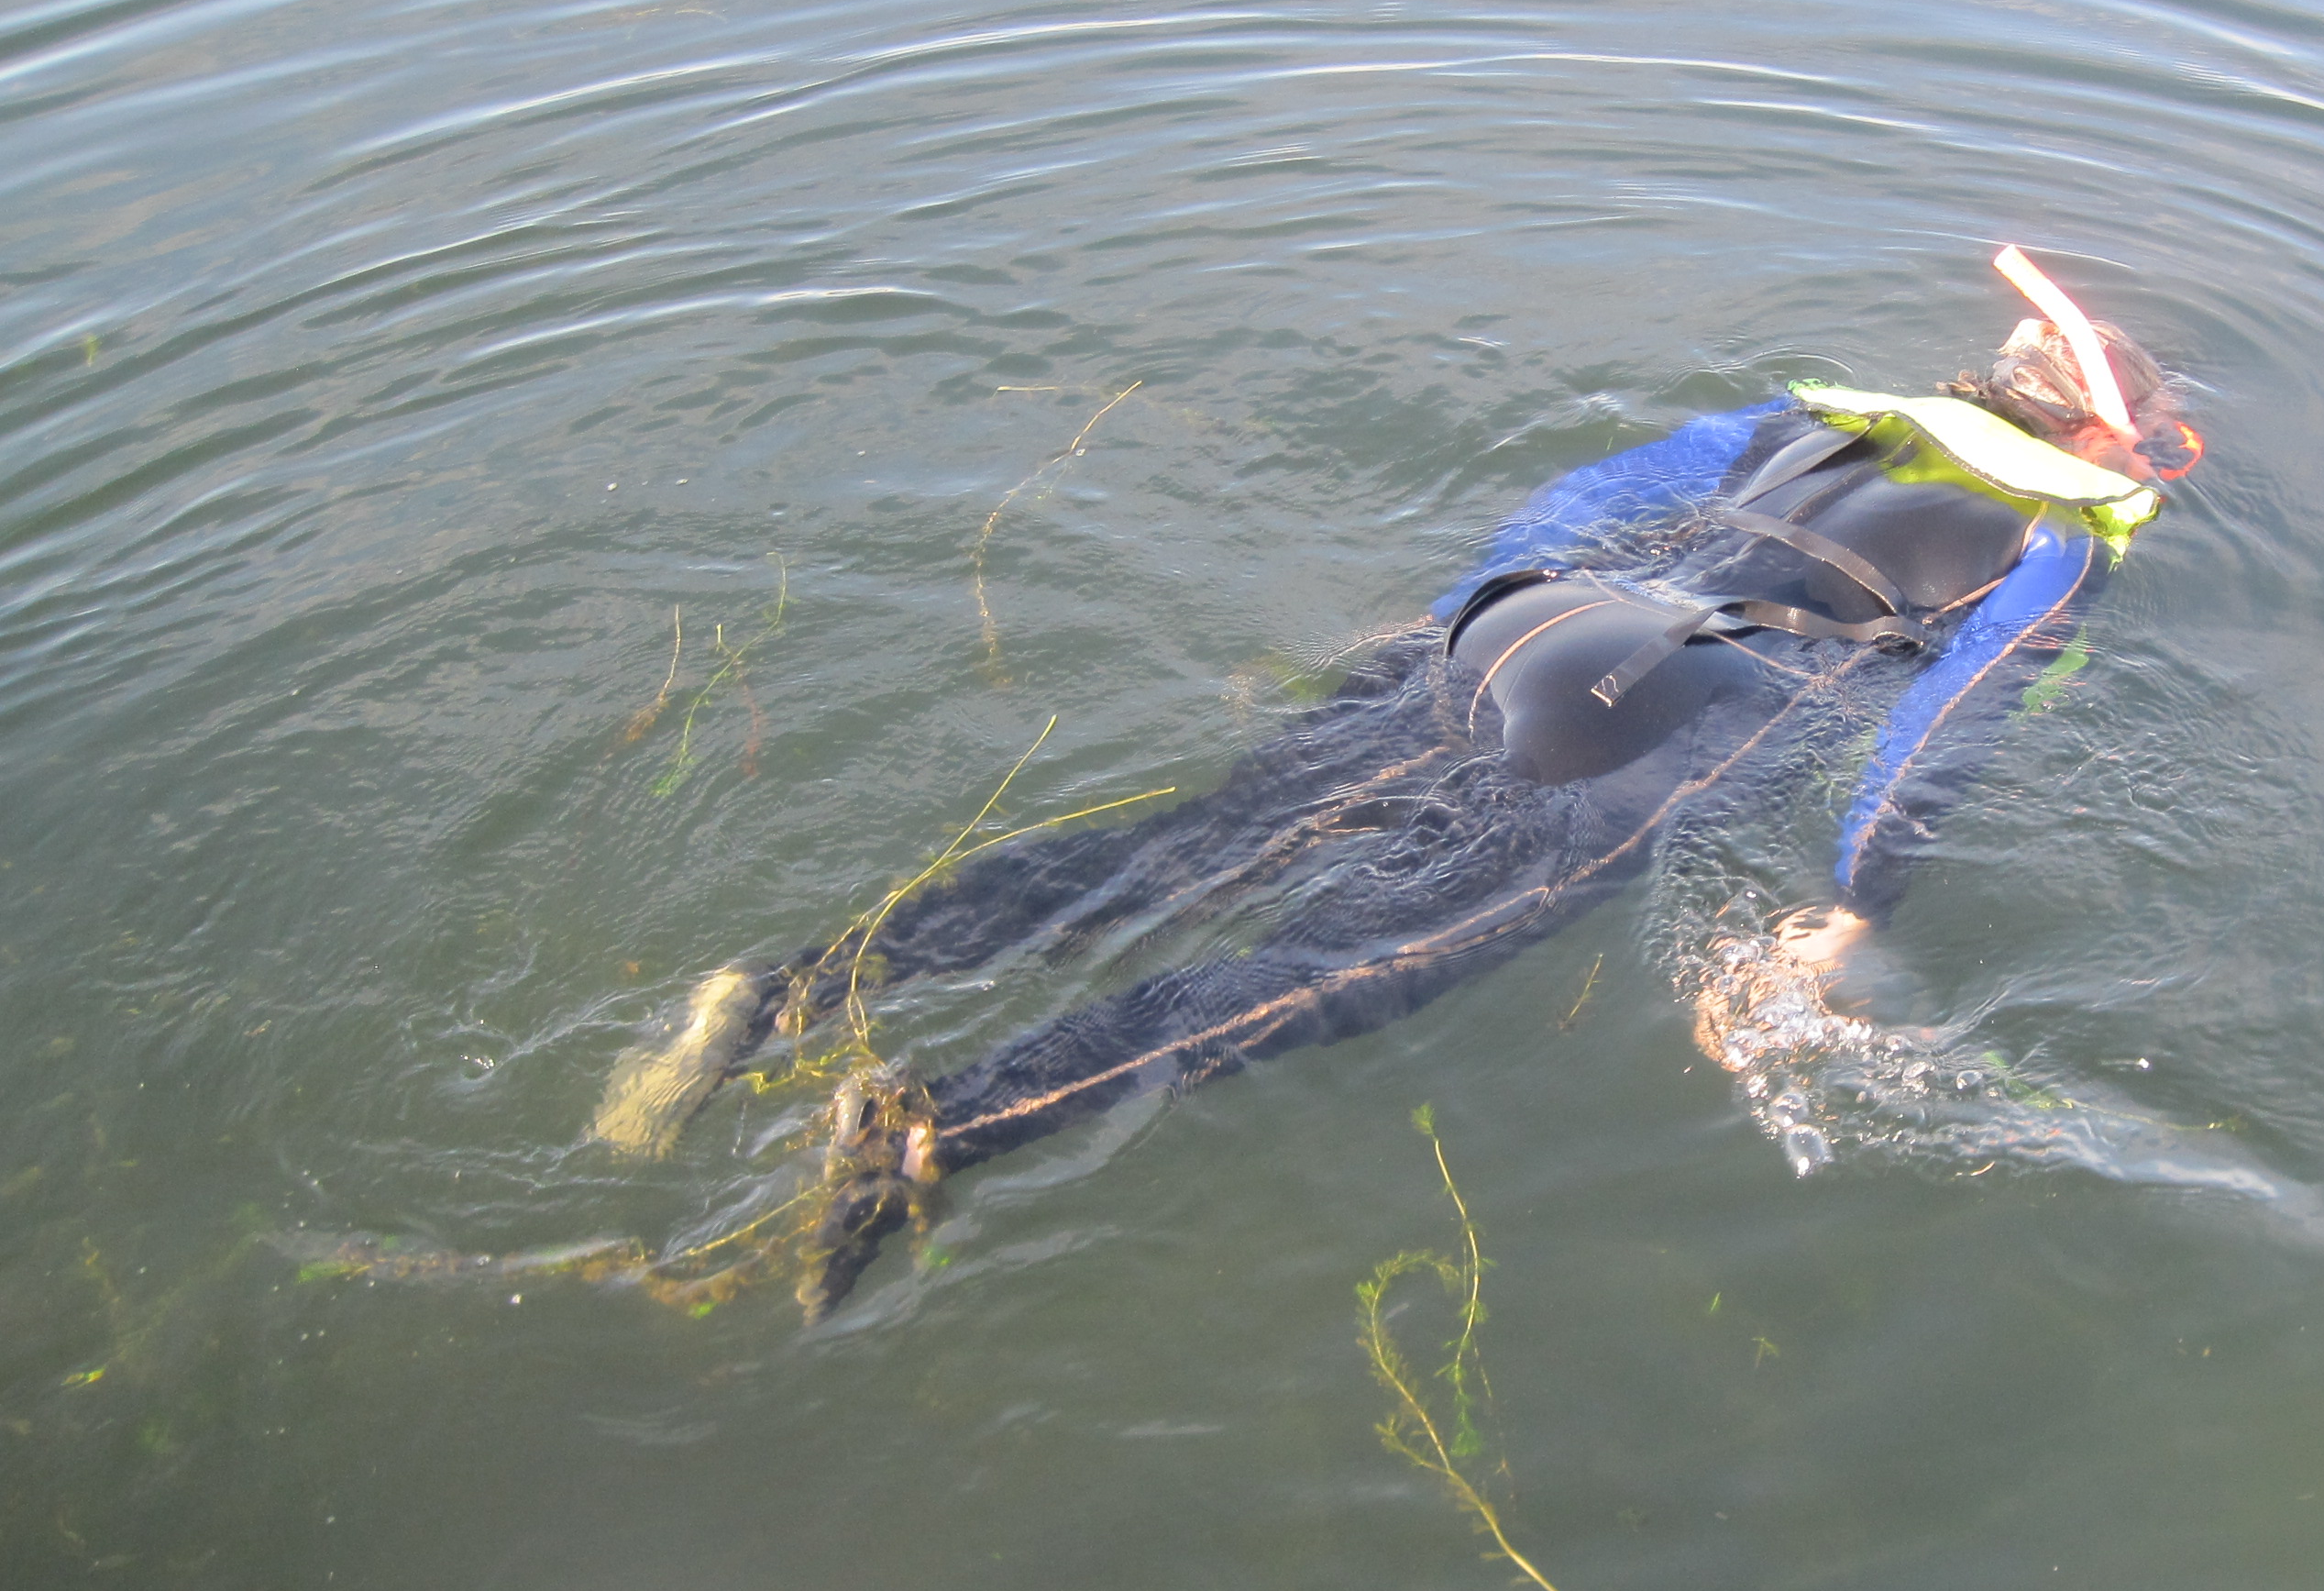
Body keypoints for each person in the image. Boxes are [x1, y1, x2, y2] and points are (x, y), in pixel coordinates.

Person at [589, 249, 2202, 1315]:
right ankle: (942, 1126)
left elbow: (1577, 499)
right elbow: (1946, 727)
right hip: (1654, 716)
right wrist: (1853, 905)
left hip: (1525, 630)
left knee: (1197, 844)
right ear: (2112, 443)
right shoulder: (2058, 546)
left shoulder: (1814, 423)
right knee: (1355, 958)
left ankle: (782, 993)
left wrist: (1449, 636)